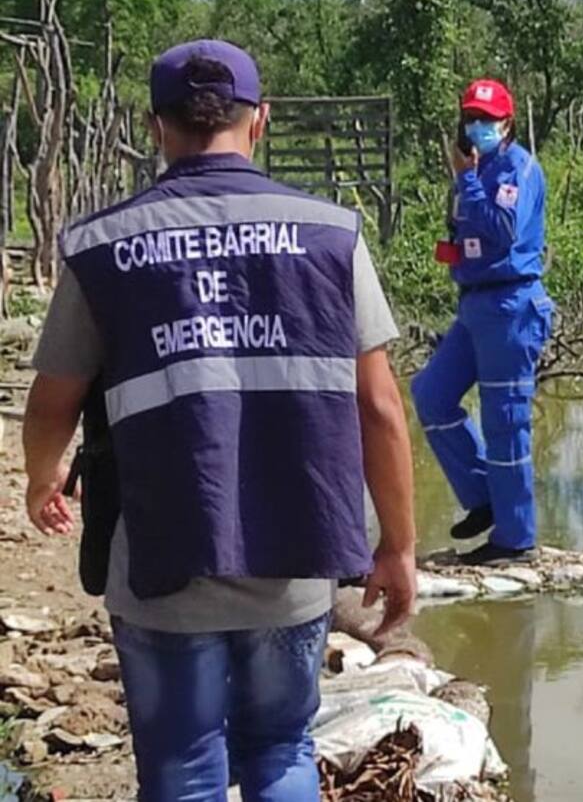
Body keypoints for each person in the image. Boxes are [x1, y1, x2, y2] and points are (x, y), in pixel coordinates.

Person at [22, 39, 418, 802]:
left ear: (155, 126)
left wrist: (44, 478)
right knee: (282, 751)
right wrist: (398, 546)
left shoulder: (102, 246)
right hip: (294, 556)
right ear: (260, 120)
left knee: (183, 769)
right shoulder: (331, 234)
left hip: (162, 561)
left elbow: (52, 402)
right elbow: (379, 408)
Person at [411, 78, 553, 566]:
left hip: (511, 306)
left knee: (505, 421)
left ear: (507, 124)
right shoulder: (476, 167)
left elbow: (503, 229)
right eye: (471, 118)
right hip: (474, 304)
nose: (476, 127)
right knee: (431, 394)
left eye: (486, 120)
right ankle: (485, 497)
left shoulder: (517, 169)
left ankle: (515, 538)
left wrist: (467, 180)